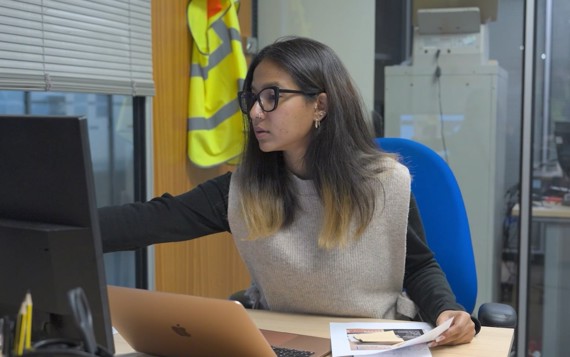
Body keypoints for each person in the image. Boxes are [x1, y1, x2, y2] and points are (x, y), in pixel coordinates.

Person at [99, 36, 478, 347]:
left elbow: (418, 265)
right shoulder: (243, 189)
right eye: (252, 98)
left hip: (371, 342)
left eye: (272, 96)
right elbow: (150, 220)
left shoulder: (386, 183)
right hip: (281, 341)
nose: (256, 113)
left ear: (320, 105)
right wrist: (61, 223)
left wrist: (446, 309)